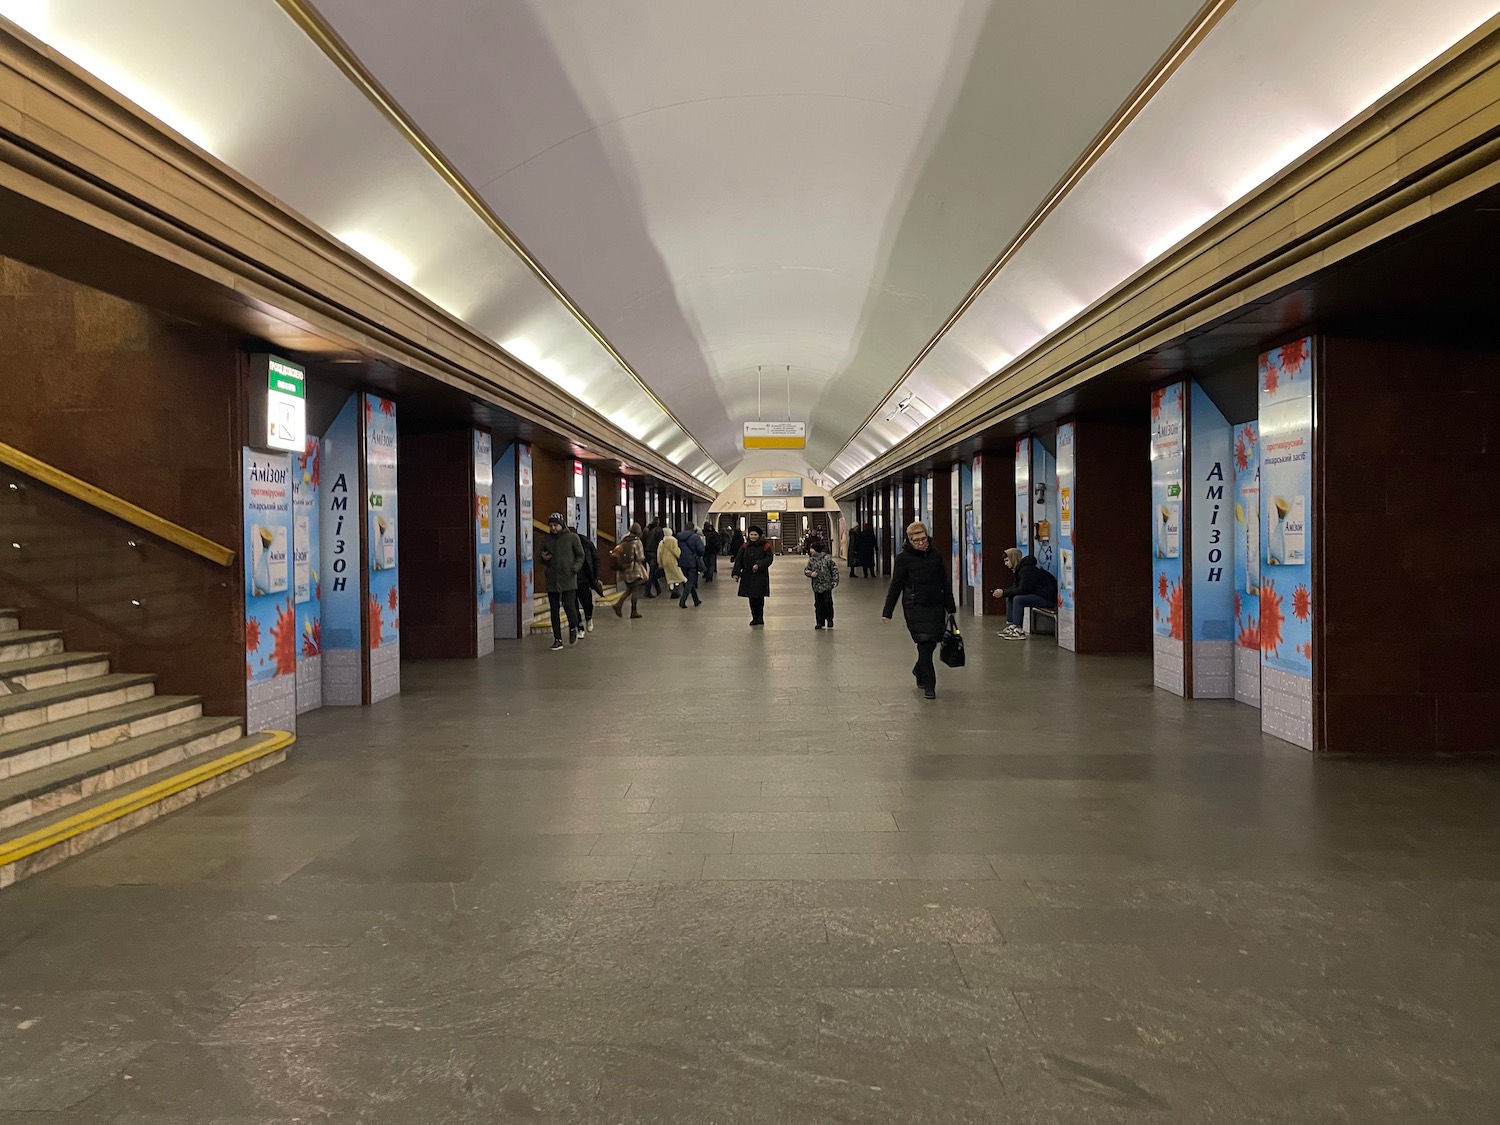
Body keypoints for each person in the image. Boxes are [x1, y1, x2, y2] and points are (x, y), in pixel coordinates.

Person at [882, 521, 955, 700]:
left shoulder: (935, 555)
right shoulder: (903, 559)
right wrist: (887, 611)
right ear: (910, 540)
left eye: (924, 539)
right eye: (917, 541)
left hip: (936, 605)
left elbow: (944, 582)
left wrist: (950, 606)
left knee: (931, 643)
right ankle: (930, 685)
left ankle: (918, 669)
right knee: (924, 643)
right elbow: (896, 585)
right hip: (915, 606)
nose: (922, 543)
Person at [538, 512, 585, 649]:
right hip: (552, 578)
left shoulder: (572, 538)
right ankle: (557, 639)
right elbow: (540, 556)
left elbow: (580, 555)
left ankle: (573, 627)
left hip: (568, 578)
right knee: (554, 610)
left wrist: (574, 568)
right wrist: (543, 558)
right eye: (551, 525)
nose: (553, 528)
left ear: (561, 524)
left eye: (555, 525)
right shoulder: (547, 540)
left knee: (569, 606)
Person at [991, 547, 1058, 639]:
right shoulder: (1020, 570)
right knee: (1010, 596)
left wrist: (1003, 592)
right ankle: (1012, 626)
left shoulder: (1026, 570)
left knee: (1018, 599)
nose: (1005, 564)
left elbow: (1023, 590)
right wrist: (1005, 592)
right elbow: (1017, 588)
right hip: (1038, 596)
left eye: (1007, 560)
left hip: (1047, 599)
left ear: (1013, 559)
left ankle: (1018, 629)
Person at [732, 524, 774, 626]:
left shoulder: (765, 546)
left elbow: (769, 559)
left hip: (760, 575)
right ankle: (754, 617)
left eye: (755, 535)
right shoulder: (745, 546)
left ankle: (760, 617)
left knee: (759, 597)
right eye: (751, 534)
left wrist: (759, 565)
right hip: (748, 575)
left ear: (759, 535)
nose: (753, 536)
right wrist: (736, 573)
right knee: (751, 597)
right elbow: (739, 560)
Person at [609, 522, 647, 619]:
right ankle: (633, 611)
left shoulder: (624, 540)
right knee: (634, 590)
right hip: (634, 569)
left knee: (629, 589)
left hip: (624, 569)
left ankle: (618, 605)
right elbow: (640, 557)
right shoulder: (637, 542)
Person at [572, 525, 605, 633]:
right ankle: (579, 626)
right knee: (572, 605)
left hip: (584, 578)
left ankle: (588, 617)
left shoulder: (586, 543)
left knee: (587, 602)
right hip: (570, 580)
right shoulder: (563, 546)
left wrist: (596, 576)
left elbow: (595, 559)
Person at [802, 535, 839, 630]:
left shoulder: (827, 559)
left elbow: (834, 570)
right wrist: (811, 574)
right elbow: (806, 570)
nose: (810, 550)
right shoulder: (811, 560)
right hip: (816, 586)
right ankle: (820, 622)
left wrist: (835, 580)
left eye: (812, 549)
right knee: (818, 604)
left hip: (827, 585)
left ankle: (829, 619)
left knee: (828, 603)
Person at [676, 523, 706, 608]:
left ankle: (696, 599)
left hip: (682, 561)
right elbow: (701, 550)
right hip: (692, 562)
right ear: (693, 528)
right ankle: (682, 601)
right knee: (691, 581)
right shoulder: (695, 537)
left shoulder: (679, 537)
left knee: (686, 581)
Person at [657, 524, 685, 599]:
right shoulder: (673, 541)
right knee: (677, 576)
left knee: (669, 576)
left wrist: (660, 563)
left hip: (665, 561)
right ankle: (676, 590)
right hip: (673, 561)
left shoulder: (662, 542)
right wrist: (679, 554)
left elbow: (659, 553)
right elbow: (676, 551)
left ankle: (671, 588)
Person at [644, 521, 665, 597]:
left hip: (647, 553)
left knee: (653, 572)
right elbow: (661, 543)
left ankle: (658, 588)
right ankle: (647, 590)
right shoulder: (659, 530)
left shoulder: (647, 530)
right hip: (654, 553)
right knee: (653, 573)